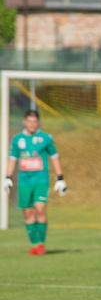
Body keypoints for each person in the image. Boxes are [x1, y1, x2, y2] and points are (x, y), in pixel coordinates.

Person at [5, 109, 67, 255]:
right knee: (28, 212)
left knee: (40, 209)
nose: (32, 124)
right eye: (29, 121)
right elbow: (12, 159)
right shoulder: (17, 139)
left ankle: (41, 245)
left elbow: (54, 156)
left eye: (35, 121)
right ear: (24, 122)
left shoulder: (46, 138)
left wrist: (60, 178)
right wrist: (8, 177)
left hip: (41, 180)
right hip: (25, 182)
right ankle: (33, 245)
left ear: (38, 122)